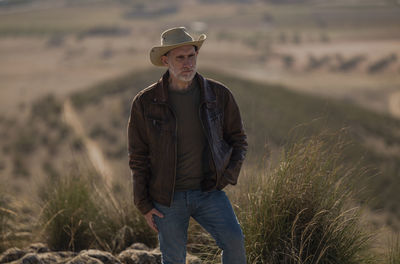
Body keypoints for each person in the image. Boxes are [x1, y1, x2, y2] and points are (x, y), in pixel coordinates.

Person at [127, 26, 247, 264]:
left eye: (191, 56)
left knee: (235, 241)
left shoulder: (219, 95)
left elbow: (238, 140)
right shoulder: (145, 102)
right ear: (165, 60)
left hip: (209, 192)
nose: (187, 63)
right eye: (179, 57)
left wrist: (227, 176)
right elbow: (138, 157)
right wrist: (144, 205)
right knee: (174, 260)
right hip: (167, 198)